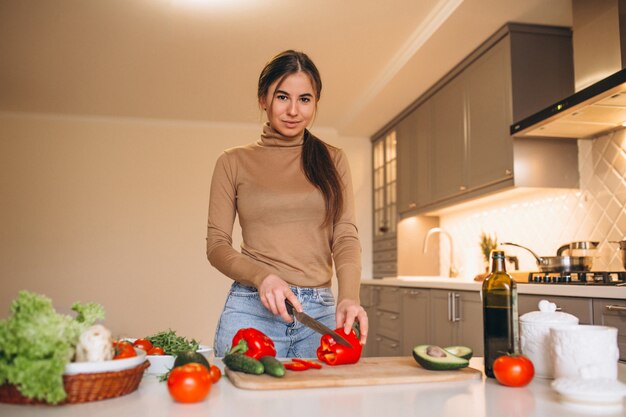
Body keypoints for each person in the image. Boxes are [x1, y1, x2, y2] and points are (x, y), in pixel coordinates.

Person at [206, 50, 368, 358]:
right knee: (242, 406)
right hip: (252, 308)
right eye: (283, 97)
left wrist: (349, 297)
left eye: (305, 99)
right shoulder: (232, 162)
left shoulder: (333, 159)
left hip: (319, 314)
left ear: (316, 103)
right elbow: (217, 246)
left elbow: (345, 235)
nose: (294, 110)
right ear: (263, 100)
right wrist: (262, 277)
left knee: (320, 406)